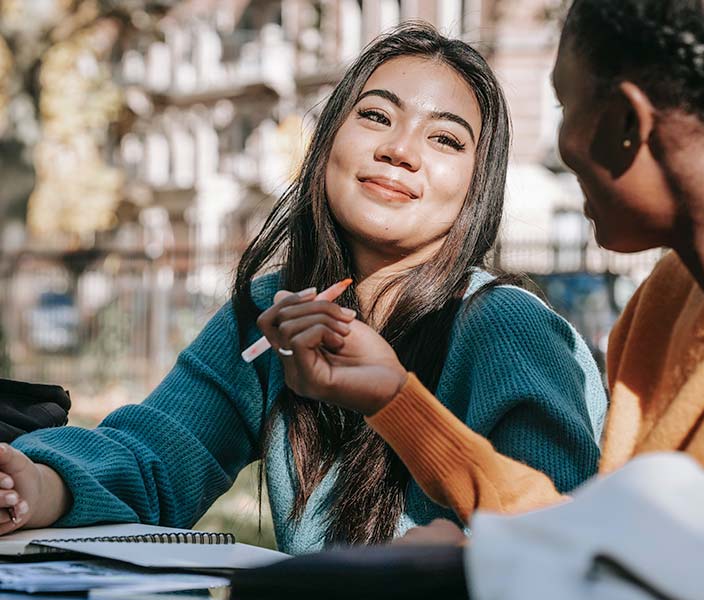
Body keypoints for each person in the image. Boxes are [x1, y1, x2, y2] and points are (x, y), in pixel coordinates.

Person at [0, 23, 608, 554]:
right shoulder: (273, 311)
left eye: (445, 139)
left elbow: (561, 535)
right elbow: (160, 453)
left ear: (477, 187)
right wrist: (36, 486)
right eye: (375, 116)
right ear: (324, 147)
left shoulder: (507, 326)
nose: (399, 151)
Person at [259, 0, 704, 533]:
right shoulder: (668, 298)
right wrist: (396, 400)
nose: (559, 146)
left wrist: (473, 567)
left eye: (563, 107)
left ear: (625, 124)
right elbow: (598, 537)